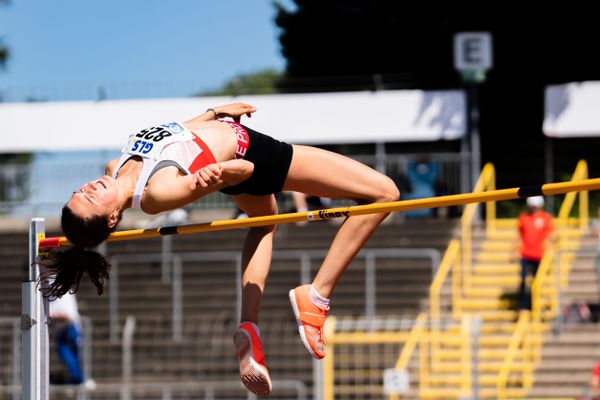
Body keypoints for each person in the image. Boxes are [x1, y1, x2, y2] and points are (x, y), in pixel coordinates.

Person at [41, 103, 400, 396]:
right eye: (91, 198)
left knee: (264, 223)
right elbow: (218, 174)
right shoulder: (156, 195)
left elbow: (176, 135)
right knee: (384, 193)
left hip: (234, 144)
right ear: (112, 217)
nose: (89, 187)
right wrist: (225, 173)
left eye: (81, 190)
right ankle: (317, 296)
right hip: (252, 153)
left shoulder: (114, 167)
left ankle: (250, 327)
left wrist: (213, 114)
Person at [512, 196, 555, 310]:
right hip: (525, 255)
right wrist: (513, 251)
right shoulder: (524, 218)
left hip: (539, 255)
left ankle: (536, 305)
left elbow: (552, 235)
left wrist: (551, 248)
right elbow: (518, 235)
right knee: (523, 280)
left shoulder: (546, 218)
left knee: (537, 282)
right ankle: (523, 306)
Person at [49, 290, 85, 385]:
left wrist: (49, 315)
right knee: (70, 354)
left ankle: (77, 379)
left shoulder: (63, 292)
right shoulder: (64, 291)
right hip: (68, 327)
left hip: (69, 327)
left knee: (67, 353)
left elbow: (67, 315)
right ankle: (76, 380)